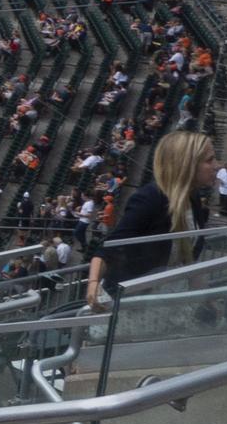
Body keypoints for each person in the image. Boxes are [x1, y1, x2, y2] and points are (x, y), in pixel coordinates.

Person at [87, 131, 218, 308]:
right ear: (188, 164)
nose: (216, 166)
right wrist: (93, 283)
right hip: (133, 302)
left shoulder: (193, 197)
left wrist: (206, 298)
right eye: (209, 160)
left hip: (165, 300)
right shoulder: (150, 198)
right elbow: (110, 248)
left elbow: (188, 259)